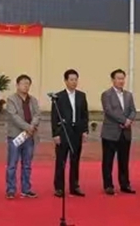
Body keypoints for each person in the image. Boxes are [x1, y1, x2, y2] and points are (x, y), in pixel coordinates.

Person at [51, 69, 89, 198]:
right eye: (71, 80)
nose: (74, 82)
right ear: (66, 81)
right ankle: (59, 187)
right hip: (63, 132)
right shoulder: (58, 97)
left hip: (76, 132)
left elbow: (84, 115)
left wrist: (85, 130)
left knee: (75, 160)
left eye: (76, 79)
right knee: (61, 161)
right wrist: (55, 134)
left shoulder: (81, 96)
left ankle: (74, 186)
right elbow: (54, 116)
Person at [100, 69, 137, 195]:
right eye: (118, 78)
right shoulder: (106, 95)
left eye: (123, 78)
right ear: (113, 80)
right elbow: (109, 111)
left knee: (124, 160)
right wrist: (124, 120)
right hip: (110, 133)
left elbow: (133, 110)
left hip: (125, 133)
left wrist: (129, 120)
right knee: (108, 161)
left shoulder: (128, 95)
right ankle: (108, 185)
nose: (121, 81)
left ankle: (125, 184)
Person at [5, 74, 41, 199]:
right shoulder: (11, 99)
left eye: (28, 84)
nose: (26, 86)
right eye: (23, 83)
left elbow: (37, 114)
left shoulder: (33, 100)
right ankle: (11, 189)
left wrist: (32, 126)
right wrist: (28, 127)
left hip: (29, 136)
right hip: (15, 136)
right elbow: (14, 116)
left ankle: (26, 189)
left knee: (27, 164)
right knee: (12, 164)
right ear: (17, 85)